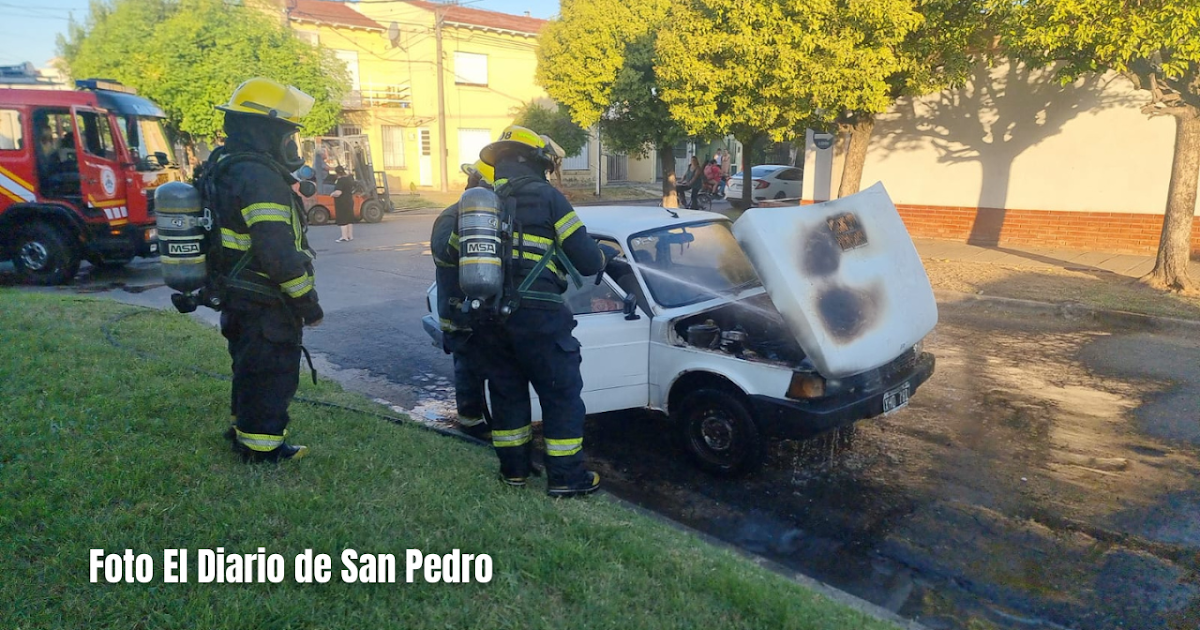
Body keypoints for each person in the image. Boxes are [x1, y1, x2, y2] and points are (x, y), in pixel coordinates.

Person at [434, 125, 613, 497]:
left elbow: (451, 257)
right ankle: (565, 478)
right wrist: (603, 256)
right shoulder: (549, 198)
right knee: (560, 394)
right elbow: (585, 260)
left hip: (489, 319)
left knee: (507, 394)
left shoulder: (476, 205)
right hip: (540, 318)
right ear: (537, 161)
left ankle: (514, 473)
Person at [206, 77, 324, 463]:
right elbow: (277, 253)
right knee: (272, 374)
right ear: (265, 130)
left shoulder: (226, 165)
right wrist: (307, 302)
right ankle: (263, 449)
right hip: (263, 296)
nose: (291, 145)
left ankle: (243, 429)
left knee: (248, 367)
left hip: (237, 291)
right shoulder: (260, 178)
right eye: (288, 135)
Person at [430, 160, 496, 441]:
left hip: (485, 310)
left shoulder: (493, 214)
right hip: (460, 311)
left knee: (488, 365)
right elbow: (444, 255)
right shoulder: (450, 217)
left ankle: (488, 415)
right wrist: (468, 229)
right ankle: (471, 423)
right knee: (468, 368)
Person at [332, 165, 356, 242]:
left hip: (342, 203)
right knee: (349, 219)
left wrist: (332, 194)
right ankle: (350, 236)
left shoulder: (340, 181)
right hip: (349, 201)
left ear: (337, 173)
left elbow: (338, 192)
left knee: (343, 220)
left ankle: (344, 237)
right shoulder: (348, 180)